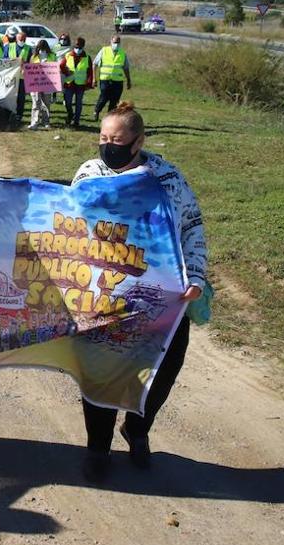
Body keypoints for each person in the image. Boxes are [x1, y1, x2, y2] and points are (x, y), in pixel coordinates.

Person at [72, 101, 208, 483]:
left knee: (162, 370)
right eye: (102, 137)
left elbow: (192, 227)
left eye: (116, 139)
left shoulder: (166, 178)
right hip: (105, 295)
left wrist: (195, 275)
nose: (107, 145)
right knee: (102, 371)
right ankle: (97, 448)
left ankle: (137, 429)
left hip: (163, 298)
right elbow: (69, 226)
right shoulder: (88, 174)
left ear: (138, 141)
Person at [92, 36, 131, 120]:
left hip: (118, 81)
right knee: (104, 97)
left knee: (114, 100)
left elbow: (126, 68)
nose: (116, 44)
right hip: (105, 79)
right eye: (114, 42)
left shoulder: (122, 53)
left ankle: (109, 117)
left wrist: (128, 80)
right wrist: (94, 78)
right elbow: (94, 64)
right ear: (111, 42)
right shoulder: (104, 50)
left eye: (118, 43)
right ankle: (97, 110)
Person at [61, 36, 92, 127]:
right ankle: (70, 114)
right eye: (76, 47)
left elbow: (89, 71)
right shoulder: (68, 55)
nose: (77, 49)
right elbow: (61, 66)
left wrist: (89, 83)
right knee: (67, 102)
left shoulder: (87, 57)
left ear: (83, 47)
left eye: (79, 47)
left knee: (79, 103)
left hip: (80, 84)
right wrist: (66, 72)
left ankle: (76, 120)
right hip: (69, 83)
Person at [26, 38, 56, 130]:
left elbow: (55, 70)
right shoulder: (33, 57)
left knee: (46, 103)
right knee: (36, 102)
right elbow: (30, 70)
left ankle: (46, 122)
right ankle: (34, 122)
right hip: (36, 83)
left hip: (47, 83)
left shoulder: (52, 56)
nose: (41, 50)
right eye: (40, 48)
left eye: (43, 48)